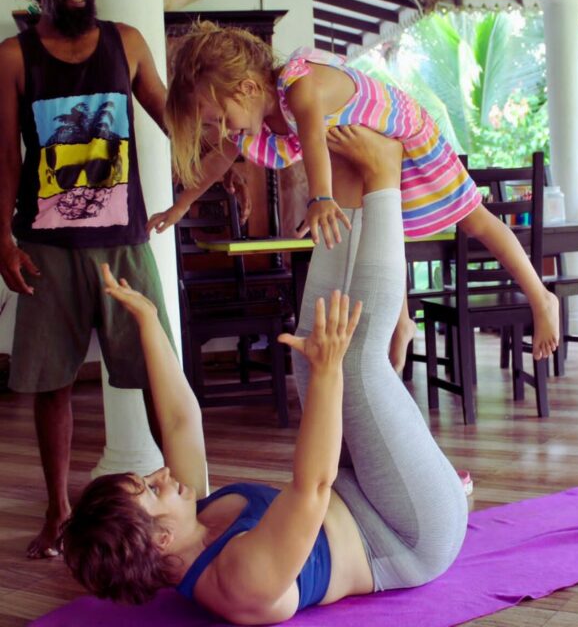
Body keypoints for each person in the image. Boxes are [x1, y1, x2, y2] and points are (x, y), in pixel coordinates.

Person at [62, 132, 468, 624]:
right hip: (410, 534)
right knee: (354, 362)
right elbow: (311, 487)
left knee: (309, 354)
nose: (161, 474)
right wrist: (327, 374)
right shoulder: (239, 581)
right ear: (159, 539)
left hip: (358, 489)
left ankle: (344, 186)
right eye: (151, 489)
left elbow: (180, 421)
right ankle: (382, 178)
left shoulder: (192, 520)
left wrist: (148, 321)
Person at [149, 22, 560, 372]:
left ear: (248, 88)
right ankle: (401, 322)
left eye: (221, 118)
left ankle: (540, 298)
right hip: (367, 157)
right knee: (385, 232)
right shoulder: (257, 118)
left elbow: (313, 139)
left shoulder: (300, 85)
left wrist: (320, 198)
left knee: (474, 217)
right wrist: (182, 203)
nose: (223, 129)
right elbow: (219, 160)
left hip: (406, 134)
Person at [0, 0, 176, 558]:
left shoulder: (125, 42)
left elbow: (169, 114)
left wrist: (222, 154)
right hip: (46, 246)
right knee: (51, 385)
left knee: (158, 373)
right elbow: (5, 161)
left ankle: (184, 491)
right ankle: (57, 512)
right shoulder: (13, 58)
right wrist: (3, 243)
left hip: (124, 242)